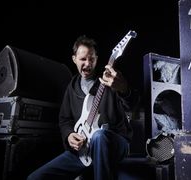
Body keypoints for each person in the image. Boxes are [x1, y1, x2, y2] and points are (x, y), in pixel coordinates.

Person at [27, 35, 138, 180]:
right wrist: (69, 135)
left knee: (99, 136)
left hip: (115, 144)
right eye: (83, 59)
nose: (87, 63)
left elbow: (132, 104)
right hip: (84, 151)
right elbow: (64, 120)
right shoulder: (72, 88)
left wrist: (123, 88)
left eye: (91, 59)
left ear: (97, 59)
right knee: (35, 178)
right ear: (74, 59)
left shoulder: (110, 79)